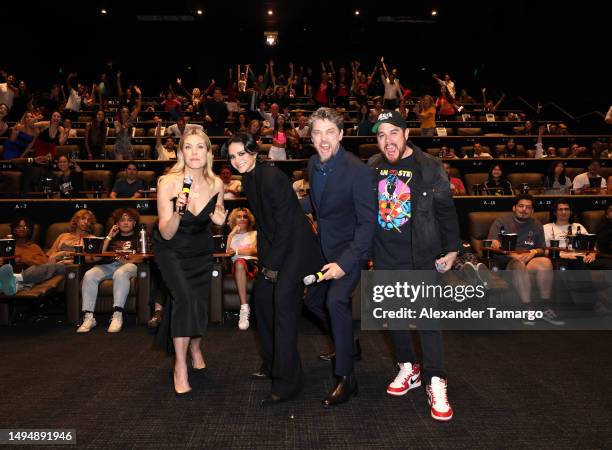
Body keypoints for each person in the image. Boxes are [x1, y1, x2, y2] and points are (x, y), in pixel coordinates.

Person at [368, 110, 460, 421]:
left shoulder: (430, 167)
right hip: (384, 254)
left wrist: (451, 249)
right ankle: (408, 366)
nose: (387, 141)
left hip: (421, 254)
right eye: (381, 135)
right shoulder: (372, 166)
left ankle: (436, 378)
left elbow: (446, 210)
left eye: (393, 133)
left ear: (407, 134)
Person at [227, 133, 323, 407]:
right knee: (262, 302)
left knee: (282, 307)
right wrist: (265, 262)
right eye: (232, 157)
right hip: (278, 245)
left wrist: (273, 266)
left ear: (254, 152)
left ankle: (288, 382)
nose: (237, 161)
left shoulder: (270, 176)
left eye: (241, 154)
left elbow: (284, 225)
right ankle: (272, 365)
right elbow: (267, 228)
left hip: (299, 248)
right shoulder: (250, 178)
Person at [301, 108, 376, 407]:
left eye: (329, 132)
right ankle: (350, 343)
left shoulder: (357, 170)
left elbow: (367, 222)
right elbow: (320, 204)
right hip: (324, 248)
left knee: (335, 301)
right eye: (317, 132)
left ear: (341, 135)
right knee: (311, 301)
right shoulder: (311, 164)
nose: (323, 139)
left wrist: (346, 263)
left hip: (351, 252)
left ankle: (347, 378)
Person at [153, 128, 227, 395]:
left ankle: (195, 346)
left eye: (200, 147)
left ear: (208, 153)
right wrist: (177, 212)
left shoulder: (216, 183)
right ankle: (179, 366)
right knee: (185, 298)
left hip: (200, 249)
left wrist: (221, 222)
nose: (194, 153)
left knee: (197, 302)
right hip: (170, 249)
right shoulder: (167, 182)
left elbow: (218, 219)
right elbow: (166, 232)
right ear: (181, 152)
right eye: (188, 147)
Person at [487, 194, 561, 325]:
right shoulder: (502, 221)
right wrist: (512, 254)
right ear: (514, 208)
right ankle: (527, 308)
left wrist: (533, 251)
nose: (524, 210)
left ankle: (545, 307)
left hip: (529, 257)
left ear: (532, 211)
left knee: (545, 262)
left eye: (528, 207)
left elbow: (542, 249)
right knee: (518, 264)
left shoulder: (536, 224)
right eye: (521, 206)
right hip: (508, 259)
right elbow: (493, 243)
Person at [77, 208, 144, 334]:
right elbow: (99, 254)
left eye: (129, 220)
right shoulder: (112, 237)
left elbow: (143, 257)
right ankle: (89, 317)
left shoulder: (139, 236)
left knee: (120, 273)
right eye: (122, 220)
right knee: (89, 274)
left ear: (134, 223)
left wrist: (127, 262)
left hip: (129, 266)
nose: (125, 223)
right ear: (117, 224)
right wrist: (109, 236)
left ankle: (117, 315)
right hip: (109, 265)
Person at [226, 207, 258, 330]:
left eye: (245, 216)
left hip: (252, 264)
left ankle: (245, 308)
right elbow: (227, 252)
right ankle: (244, 308)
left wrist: (238, 251)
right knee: (239, 262)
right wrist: (231, 234)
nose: (242, 219)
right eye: (239, 216)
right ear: (234, 220)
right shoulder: (231, 236)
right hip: (237, 267)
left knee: (240, 261)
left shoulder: (254, 234)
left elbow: (256, 251)